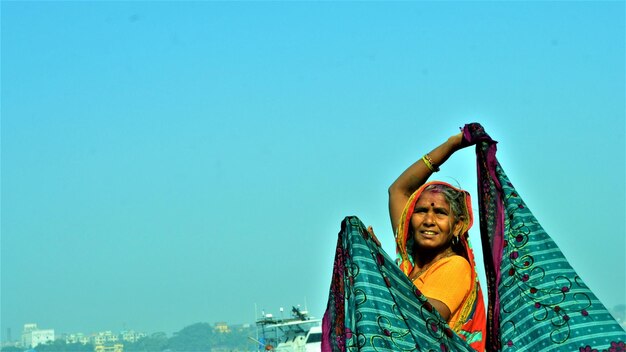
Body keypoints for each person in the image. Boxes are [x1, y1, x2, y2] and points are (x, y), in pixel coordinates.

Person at [387, 131, 486, 349]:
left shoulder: (455, 267)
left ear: (458, 225)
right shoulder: (408, 260)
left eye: (440, 213)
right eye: (421, 211)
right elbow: (397, 190)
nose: (429, 220)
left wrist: (378, 267)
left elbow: (422, 320)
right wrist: (451, 145)